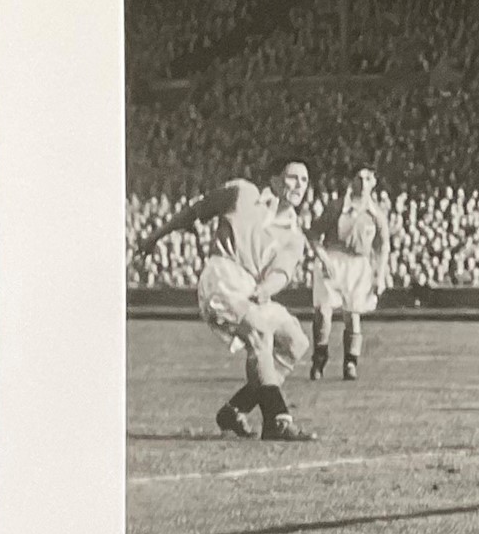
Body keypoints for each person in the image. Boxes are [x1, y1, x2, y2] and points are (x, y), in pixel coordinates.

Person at [135, 159, 317, 442]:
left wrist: (266, 289)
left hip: (254, 288)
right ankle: (277, 419)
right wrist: (155, 237)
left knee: (296, 342)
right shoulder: (242, 194)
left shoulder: (294, 236)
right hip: (223, 277)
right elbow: (195, 211)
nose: (299, 186)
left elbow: (281, 273)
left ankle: (235, 410)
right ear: (276, 180)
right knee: (259, 334)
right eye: (293, 178)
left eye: (304, 181)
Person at [309, 166, 392, 381]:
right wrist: (324, 258)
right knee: (323, 311)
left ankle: (350, 362)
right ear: (351, 181)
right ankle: (319, 359)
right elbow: (314, 235)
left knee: (352, 314)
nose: (364, 182)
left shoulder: (376, 215)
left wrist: (379, 275)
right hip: (333, 259)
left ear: (374, 182)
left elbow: (383, 246)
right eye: (359, 177)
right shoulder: (336, 207)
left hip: (358, 264)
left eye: (369, 178)